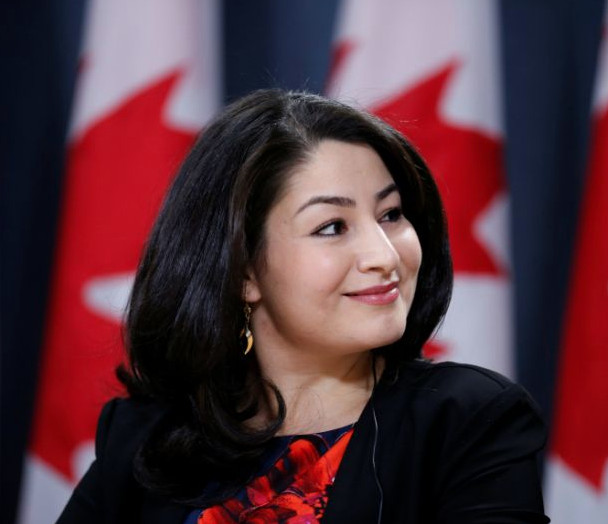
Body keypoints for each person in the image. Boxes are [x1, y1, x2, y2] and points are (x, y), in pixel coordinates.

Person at [57, 89, 549, 523]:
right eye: (332, 227)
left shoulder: (469, 420)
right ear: (243, 272)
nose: (384, 256)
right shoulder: (146, 434)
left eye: (391, 214)